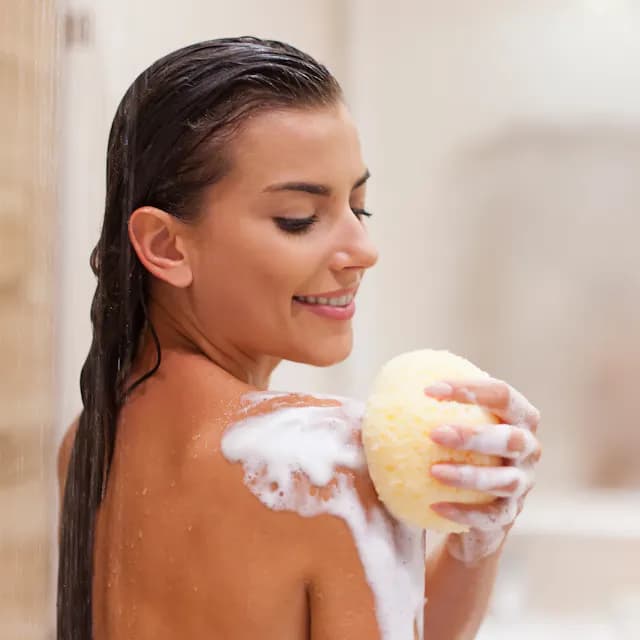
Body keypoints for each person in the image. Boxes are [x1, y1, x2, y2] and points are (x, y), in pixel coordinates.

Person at [57, 37, 541, 640]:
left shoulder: (90, 438)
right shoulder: (327, 465)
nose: (364, 251)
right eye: (299, 219)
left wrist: (478, 536)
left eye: (358, 208)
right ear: (165, 245)